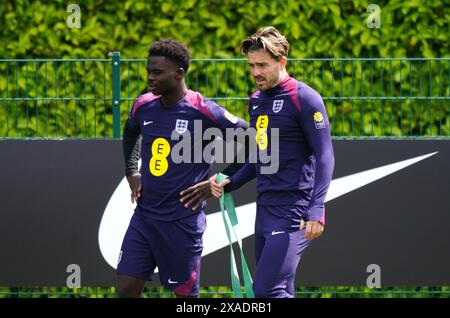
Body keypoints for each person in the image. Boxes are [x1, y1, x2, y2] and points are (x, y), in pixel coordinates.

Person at [210, 26, 335, 298]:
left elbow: (326, 156)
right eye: (251, 65)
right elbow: (259, 157)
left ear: (282, 62)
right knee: (281, 289)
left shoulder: (304, 98)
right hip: (264, 208)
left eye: (262, 65)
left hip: (294, 211)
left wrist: (316, 208)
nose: (255, 72)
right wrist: (232, 181)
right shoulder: (256, 101)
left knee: (266, 291)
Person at [118, 39, 248, 298]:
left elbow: (249, 138)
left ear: (179, 74)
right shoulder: (143, 105)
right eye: (148, 71)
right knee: (124, 291)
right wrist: (132, 170)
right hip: (145, 217)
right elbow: (131, 131)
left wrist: (220, 178)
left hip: (182, 223)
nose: (149, 78)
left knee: (186, 298)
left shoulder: (203, 111)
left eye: (157, 73)